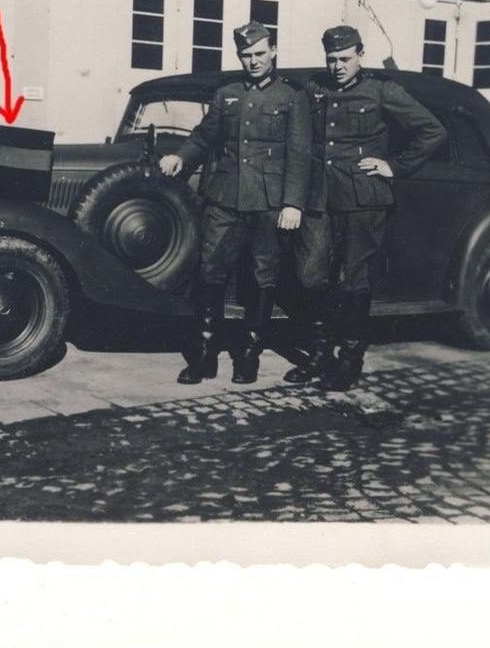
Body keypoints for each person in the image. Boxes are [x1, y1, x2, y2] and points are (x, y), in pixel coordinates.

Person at [284, 25, 448, 390]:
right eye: (332, 59)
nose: (338, 66)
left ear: (361, 54)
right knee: (310, 274)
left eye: (345, 58)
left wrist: (396, 166)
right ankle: (320, 353)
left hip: (362, 199)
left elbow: (433, 131)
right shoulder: (314, 89)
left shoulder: (381, 90)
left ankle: (349, 359)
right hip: (319, 197)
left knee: (352, 280)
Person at [159, 21, 311, 385]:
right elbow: (204, 137)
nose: (254, 61)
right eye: (246, 55)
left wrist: (293, 203)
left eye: (260, 53)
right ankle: (204, 355)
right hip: (224, 200)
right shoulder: (226, 94)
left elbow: (300, 154)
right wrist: (182, 157)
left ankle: (248, 355)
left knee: (262, 276)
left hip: (270, 203)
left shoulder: (291, 97)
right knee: (210, 272)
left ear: (273, 51)